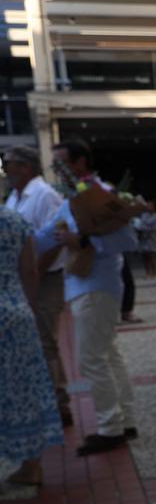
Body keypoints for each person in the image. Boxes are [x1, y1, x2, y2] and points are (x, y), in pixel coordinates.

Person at [34, 139, 139, 456]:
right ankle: (124, 419)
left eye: (61, 163)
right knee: (107, 354)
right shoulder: (75, 197)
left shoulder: (99, 194)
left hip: (96, 285)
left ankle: (111, 428)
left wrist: (78, 238)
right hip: (89, 285)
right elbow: (45, 236)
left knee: (92, 358)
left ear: (80, 163)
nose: (57, 169)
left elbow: (126, 239)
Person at [3, 145, 72, 426]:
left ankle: (59, 403)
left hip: (44, 279)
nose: (4, 168)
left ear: (26, 167)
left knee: (46, 343)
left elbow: (57, 237)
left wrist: (34, 273)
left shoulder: (44, 195)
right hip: (25, 281)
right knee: (36, 343)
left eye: (8, 162)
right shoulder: (14, 196)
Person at [0, 205, 63, 485]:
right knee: (24, 390)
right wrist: (28, 303)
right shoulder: (16, 220)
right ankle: (32, 466)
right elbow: (30, 271)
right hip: (17, 311)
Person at [131, 201, 156, 278]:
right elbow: (140, 225)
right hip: (143, 238)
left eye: (151, 206)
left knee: (152, 255)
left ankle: (154, 272)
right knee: (145, 256)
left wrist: (144, 228)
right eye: (148, 206)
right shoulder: (143, 215)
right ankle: (147, 272)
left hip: (152, 238)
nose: (149, 208)